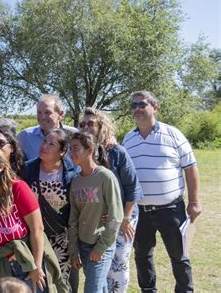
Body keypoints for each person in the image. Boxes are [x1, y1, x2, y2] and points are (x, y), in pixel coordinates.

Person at [122, 90, 201, 292]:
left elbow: (191, 168)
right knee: (142, 256)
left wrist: (194, 202)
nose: (137, 109)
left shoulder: (173, 134)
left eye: (142, 104)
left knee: (179, 255)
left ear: (155, 108)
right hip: (140, 212)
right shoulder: (128, 140)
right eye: (134, 105)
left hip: (171, 209)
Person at [0, 146, 65, 293]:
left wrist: (36, 266)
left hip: (27, 258)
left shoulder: (18, 188)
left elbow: (37, 229)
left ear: (0, 167)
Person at [79, 108, 143, 292]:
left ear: (102, 127)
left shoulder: (117, 152)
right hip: (97, 219)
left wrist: (124, 218)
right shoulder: (83, 154)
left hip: (123, 217)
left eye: (91, 124)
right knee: (99, 266)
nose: (86, 127)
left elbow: (132, 188)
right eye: (82, 124)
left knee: (118, 266)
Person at [22, 129, 80, 291]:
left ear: (62, 152)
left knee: (61, 282)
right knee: (36, 282)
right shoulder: (27, 169)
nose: (44, 146)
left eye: (51, 144)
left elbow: (80, 204)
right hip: (33, 237)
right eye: (44, 141)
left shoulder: (73, 172)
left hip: (62, 238)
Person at [68, 132, 123, 293]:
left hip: (100, 245)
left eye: (76, 148)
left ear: (90, 150)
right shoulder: (76, 180)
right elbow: (73, 218)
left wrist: (101, 247)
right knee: (100, 288)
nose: (72, 153)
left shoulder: (105, 177)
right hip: (83, 245)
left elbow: (116, 216)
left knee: (92, 289)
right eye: (70, 149)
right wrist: (73, 250)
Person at [17, 94, 77, 161]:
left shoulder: (74, 134)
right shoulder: (25, 136)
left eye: (47, 112)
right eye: (39, 112)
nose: (42, 117)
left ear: (60, 114)